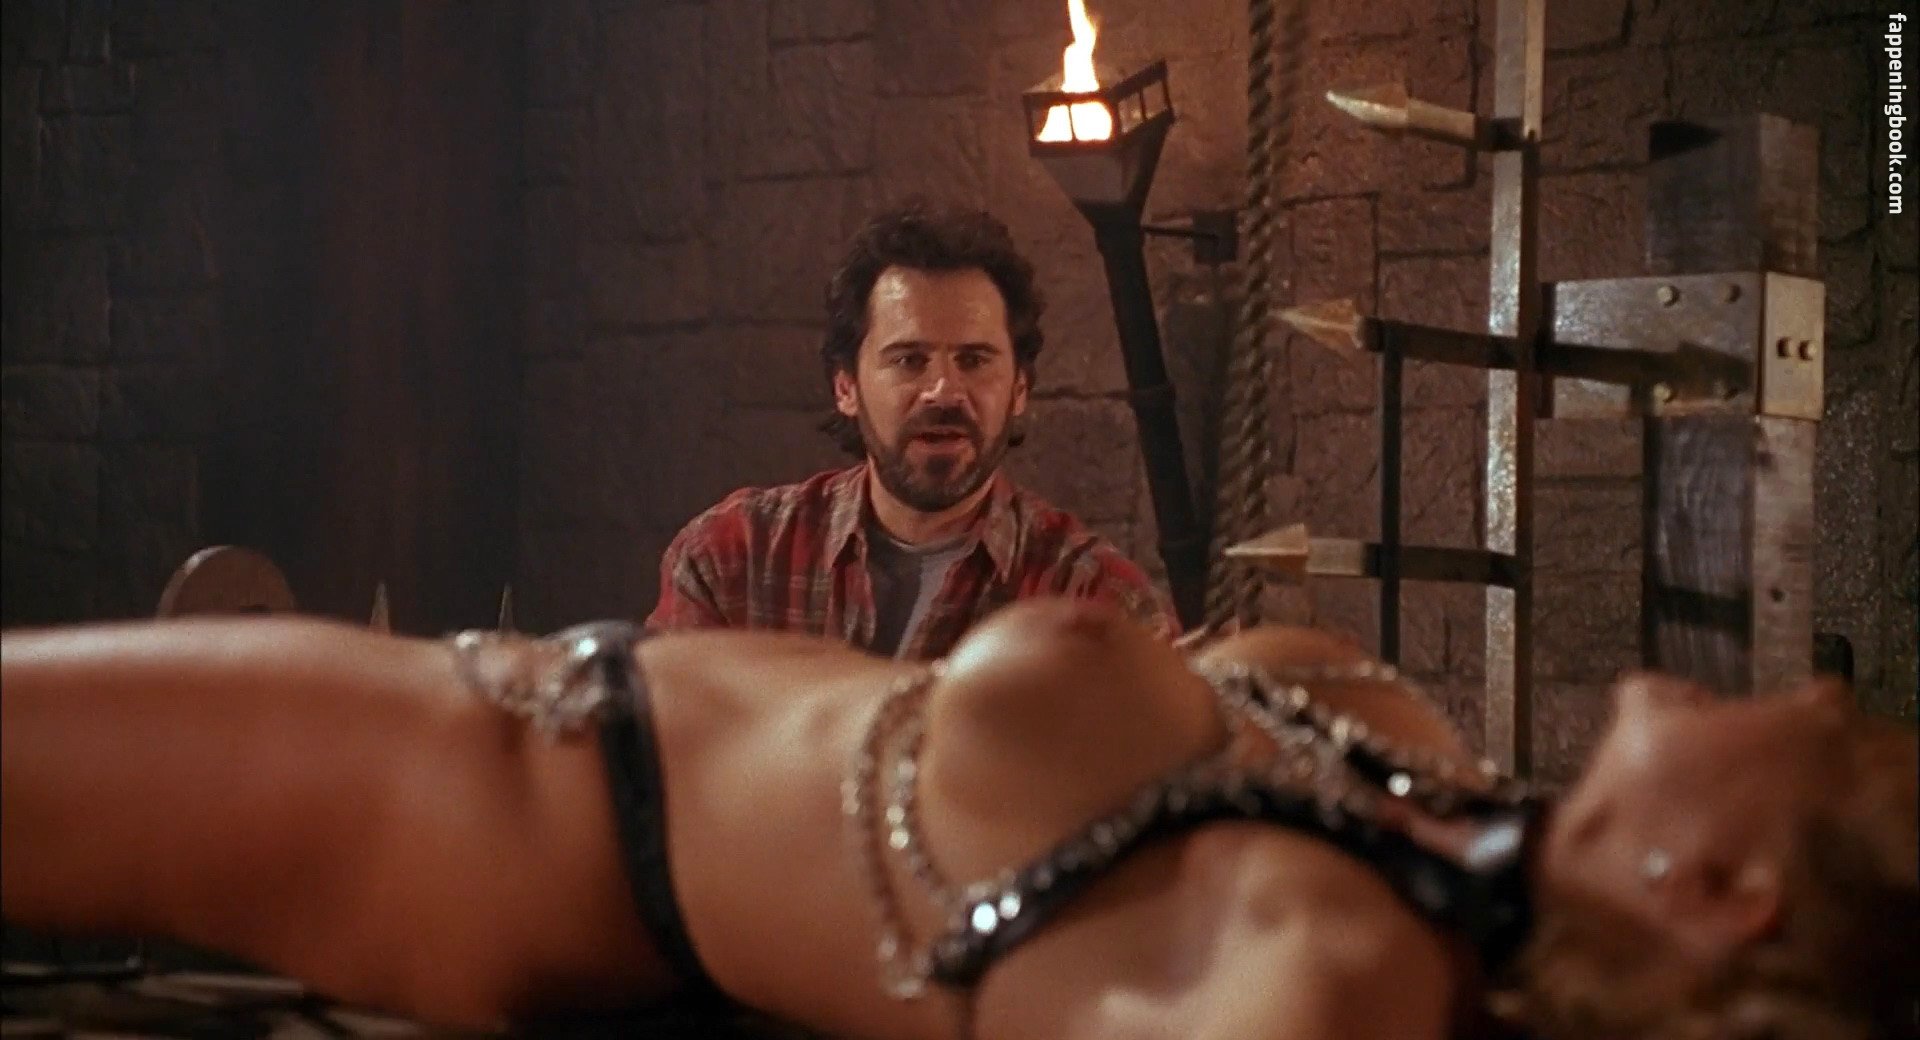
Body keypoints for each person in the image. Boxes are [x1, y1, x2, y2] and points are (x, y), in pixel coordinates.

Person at [2, 601, 1914, 1040]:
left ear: (1724, 891)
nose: (1825, 696)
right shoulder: (1439, 804)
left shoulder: (1329, 974)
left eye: (1848, 750)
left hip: (476, 818)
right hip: (507, 716)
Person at [645, 200, 1176, 658]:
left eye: (974, 360)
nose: (943, 391)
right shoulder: (732, 558)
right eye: (908, 360)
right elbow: (660, 736)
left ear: (1019, 389)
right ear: (846, 387)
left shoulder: (1094, 602)